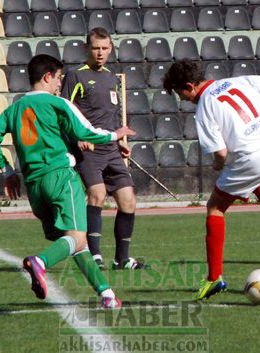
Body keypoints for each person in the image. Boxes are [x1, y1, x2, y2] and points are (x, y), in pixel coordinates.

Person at [0, 54, 136, 309]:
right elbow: (86, 131)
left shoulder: (15, 108)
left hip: (34, 185)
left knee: (76, 242)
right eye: (58, 78)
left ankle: (107, 294)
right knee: (76, 237)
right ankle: (39, 262)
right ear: (47, 77)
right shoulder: (58, 103)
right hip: (61, 177)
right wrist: (115, 134)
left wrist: (8, 171)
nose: (59, 84)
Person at [162, 60, 260, 300]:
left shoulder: (204, 106)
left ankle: (214, 278)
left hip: (253, 157)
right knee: (250, 175)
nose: (180, 98)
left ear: (190, 86)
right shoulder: (235, 80)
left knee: (215, 207)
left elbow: (221, 153)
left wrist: (218, 165)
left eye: (179, 92)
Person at [60, 27, 143, 270]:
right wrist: (76, 139)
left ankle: (122, 259)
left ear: (111, 49)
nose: (100, 53)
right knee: (97, 194)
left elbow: (113, 115)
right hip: (88, 151)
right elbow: (64, 113)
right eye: (96, 48)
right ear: (87, 48)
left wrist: (120, 141)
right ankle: (94, 255)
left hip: (111, 150)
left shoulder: (110, 77)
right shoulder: (75, 76)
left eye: (105, 48)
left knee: (128, 201)